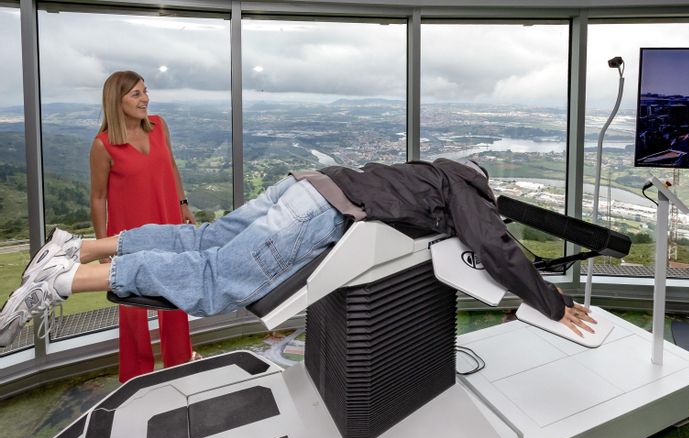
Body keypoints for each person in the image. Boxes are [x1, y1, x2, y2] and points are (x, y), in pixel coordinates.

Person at [0, 158, 596, 349]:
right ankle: (62, 280)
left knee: (204, 238)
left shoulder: (425, 169)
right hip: (317, 213)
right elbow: (492, 244)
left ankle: (76, 247)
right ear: (482, 183)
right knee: (216, 279)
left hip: (307, 184)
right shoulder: (466, 189)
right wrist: (552, 302)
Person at [90, 70, 197, 382]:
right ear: (116, 100)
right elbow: (97, 198)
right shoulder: (103, 145)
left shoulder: (159, 126)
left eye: (145, 92)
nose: (145, 99)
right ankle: (137, 376)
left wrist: (182, 204)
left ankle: (179, 363)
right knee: (132, 309)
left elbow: (171, 166)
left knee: (175, 296)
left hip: (168, 224)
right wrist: (102, 246)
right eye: (136, 94)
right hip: (129, 236)